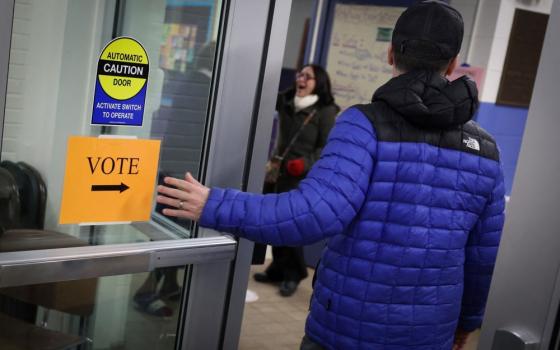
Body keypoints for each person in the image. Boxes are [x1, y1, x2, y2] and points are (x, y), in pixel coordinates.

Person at [156, 1, 505, 349]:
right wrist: (468, 321)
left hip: (348, 331)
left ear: (390, 54)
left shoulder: (364, 124)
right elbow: (482, 258)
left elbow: (313, 214)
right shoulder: (487, 150)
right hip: (430, 334)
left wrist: (214, 204)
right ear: (454, 63)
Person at [257, 64, 339, 297]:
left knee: (290, 224)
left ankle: (294, 273)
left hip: (302, 176)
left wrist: (306, 162)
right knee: (274, 223)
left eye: (308, 77)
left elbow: (326, 147)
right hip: (277, 172)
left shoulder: (325, 111)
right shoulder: (287, 101)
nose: (301, 79)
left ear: (319, 83)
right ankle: (277, 268)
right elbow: (264, 95)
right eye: (299, 75)